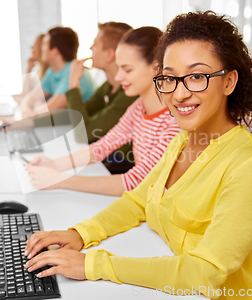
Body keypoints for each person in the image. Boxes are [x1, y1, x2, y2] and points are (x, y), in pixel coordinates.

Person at [23, 11, 252, 299]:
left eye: (196, 76)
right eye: (169, 78)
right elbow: (137, 200)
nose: (179, 94)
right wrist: (80, 234)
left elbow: (204, 273)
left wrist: (94, 264)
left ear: (229, 82)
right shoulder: (182, 141)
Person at [27, 27, 181, 196]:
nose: (118, 77)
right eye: (119, 68)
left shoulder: (176, 120)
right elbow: (103, 146)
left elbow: (135, 182)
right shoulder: (138, 108)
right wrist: (54, 165)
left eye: (127, 70)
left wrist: (60, 180)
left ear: (157, 68)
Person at [66, 22, 137, 172]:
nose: (91, 48)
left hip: (119, 164)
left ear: (110, 54)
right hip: (107, 158)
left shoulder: (129, 95)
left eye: (95, 45)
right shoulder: (108, 87)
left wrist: (73, 83)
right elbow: (76, 117)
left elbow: (83, 133)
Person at [19, 27, 96, 117]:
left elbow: (48, 111)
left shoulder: (75, 72)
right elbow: (29, 99)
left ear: (55, 51)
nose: (41, 48)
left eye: (44, 44)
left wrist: (33, 109)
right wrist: (26, 109)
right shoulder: (52, 71)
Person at [13, 34, 49, 103]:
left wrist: (20, 100)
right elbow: (25, 93)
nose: (31, 47)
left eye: (34, 45)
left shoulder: (47, 74)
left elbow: (33, 101)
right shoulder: (38, 72)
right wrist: (29, 69)